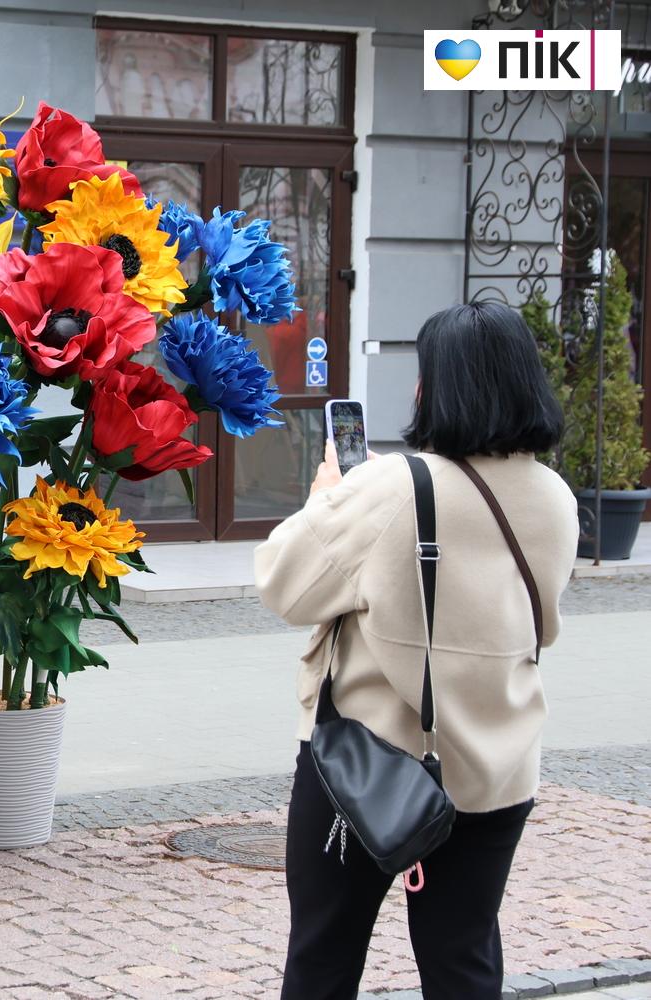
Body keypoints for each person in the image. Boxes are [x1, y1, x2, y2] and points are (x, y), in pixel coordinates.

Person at [253, 302, 580, 999]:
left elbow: (283, 586)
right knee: (463, 958)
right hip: (498, 766)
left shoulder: (391, 486)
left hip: (369, 768)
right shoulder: (554, 496)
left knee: (324, 955)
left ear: (437, 389)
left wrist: (329, 498)